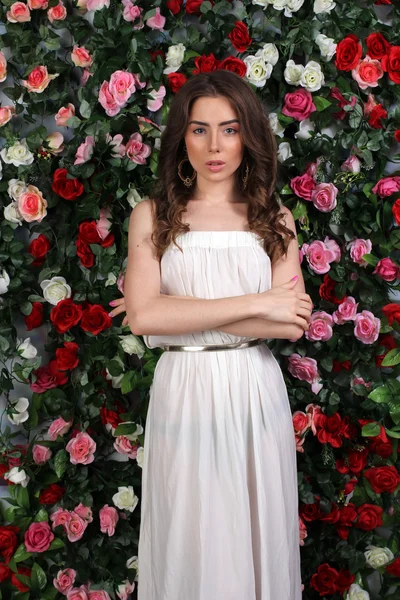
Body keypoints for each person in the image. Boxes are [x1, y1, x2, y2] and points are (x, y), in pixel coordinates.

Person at [110, 70, 312, 599]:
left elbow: (289, 323)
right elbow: (145, 320)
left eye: (229, 128)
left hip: (253, 389)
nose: (215, 145)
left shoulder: (276, 219)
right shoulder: (151, 216)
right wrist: (256, 301)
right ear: (182, 137)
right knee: (189, 533)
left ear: (249, 135)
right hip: (185, 389)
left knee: (253, 530)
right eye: (200, 130)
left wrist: (175, 308)